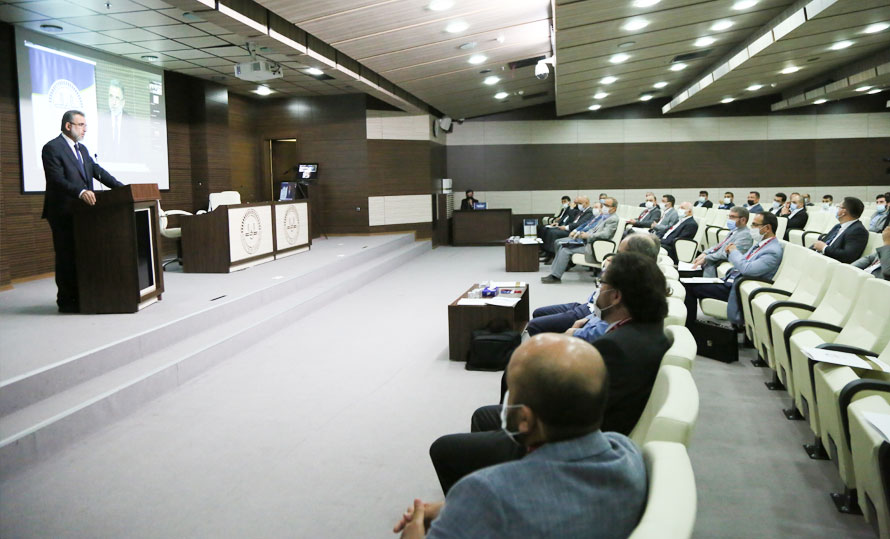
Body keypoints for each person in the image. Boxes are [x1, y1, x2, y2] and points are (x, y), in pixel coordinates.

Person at [428, 252, 669, 495]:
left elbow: (579, 411)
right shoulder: (649, 332)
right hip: (585, 431)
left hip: (566, 446)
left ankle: (487, 504)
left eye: (602, 285)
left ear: (616, 296)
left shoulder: (617, 346)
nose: (598, 292)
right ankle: (495, 487)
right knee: (484, 416)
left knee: (443, 449)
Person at [396, 334, 647, 539]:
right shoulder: (628, 453)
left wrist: (414, 532)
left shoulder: (486, 493)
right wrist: (453, 509)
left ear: (525, 419)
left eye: (511, 394)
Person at [42, 110, 124, 313]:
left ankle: (83, 295)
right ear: (68, 126)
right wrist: (80, 192)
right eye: (81, 125)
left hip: (84, 214)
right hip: (62, 212)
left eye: (85, 125)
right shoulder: (52, 148)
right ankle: (66, 301)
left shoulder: (83, 150)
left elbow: (97, 172)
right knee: (66, 255)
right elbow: (56, 179)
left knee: (84, 254)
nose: (85, 129)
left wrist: (122, 188)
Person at [528, 234, 660, 335]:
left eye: (619, 254)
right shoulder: (634, 275)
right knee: (538, 313)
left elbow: (608, 320)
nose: (613, 257)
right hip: (590, 310)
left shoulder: (631, 283)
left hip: (591, 318)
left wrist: (574, 332)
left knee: (535, 325)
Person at [682, 211, 783, 328]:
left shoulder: (772, 251)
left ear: (767, 228)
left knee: (688, 287)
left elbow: (747, 269)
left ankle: (689, 327)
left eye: (755, 225)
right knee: (688, 281)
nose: (752, 228)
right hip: (730, 281)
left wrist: (733, 251)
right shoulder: (761, 245)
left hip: (738, 289)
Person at [542, 197, 619, 283]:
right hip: (588, 242)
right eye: (603, 205)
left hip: (594, 247)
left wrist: (588, 235)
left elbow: (606, 234)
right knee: (562, 245)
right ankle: (554, 273)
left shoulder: (613, 219)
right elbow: (591, 227)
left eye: (607, 205)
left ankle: (555, 276)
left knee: (565, 249)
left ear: (614, 208)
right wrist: (581, 234)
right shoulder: (605, 216)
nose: (604, 207)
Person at [691, 206, 753, 277]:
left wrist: (707, 257)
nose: (729, 219)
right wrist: (705, 253)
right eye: (729, 216)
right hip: (712, 262)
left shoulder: (745, 235)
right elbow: (719, 246)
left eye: (732, 217)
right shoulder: (734, 231)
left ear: (743, 220)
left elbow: (728, 254)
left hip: (717, 265)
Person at [811, 196, 869, 264]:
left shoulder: (858, 231)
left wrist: (824, 248)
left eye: (838, 207)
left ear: (843, 211)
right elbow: (823, 242)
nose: (836, 209)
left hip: (830, 265)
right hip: (819, 259)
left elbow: (848, 256)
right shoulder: (838, 226)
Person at [540, 196, 593, 261]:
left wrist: (566, 227)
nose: (578, 205)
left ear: (586, 203)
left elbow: (579, 224)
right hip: (571, 228)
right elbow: (571, 218)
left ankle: (553, 255)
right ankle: (548, 253)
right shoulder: (581, 211)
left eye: (579, 203)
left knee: (553, 232)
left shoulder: (589, 211)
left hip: (573, 231)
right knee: (548, 230)